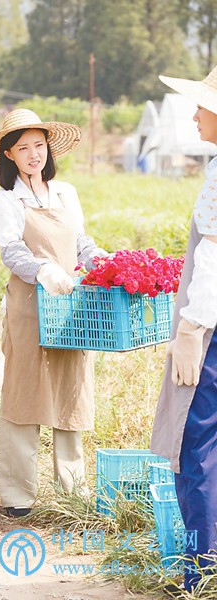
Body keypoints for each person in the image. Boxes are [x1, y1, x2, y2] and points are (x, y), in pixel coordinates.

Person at [0, 109, 108, 517]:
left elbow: (81, 242)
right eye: (23, 148)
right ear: (9, 155)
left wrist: (102, 261)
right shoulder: (5, 199)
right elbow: (12, 250)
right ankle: (18, 495)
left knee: (71, 389)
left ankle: (73, 491)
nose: (33, 154)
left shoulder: (65, 192)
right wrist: (43, 269)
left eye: (39, 145)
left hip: (70, 305)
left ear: (48, 149)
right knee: (24, 391)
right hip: (30, 306)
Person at [151, 66, 217, 596]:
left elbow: (214, 258)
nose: (194, 114)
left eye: (202, 105)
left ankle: (201, 570)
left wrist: (193, 327)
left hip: (210, 332)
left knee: (194, 447)